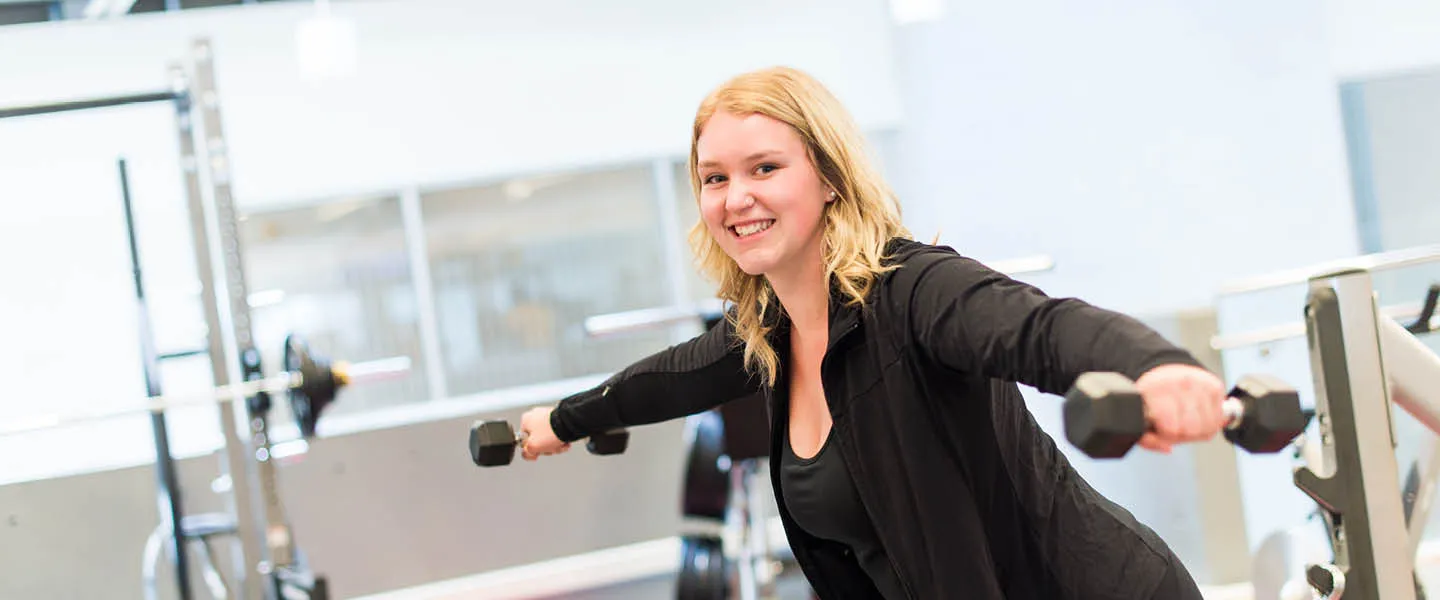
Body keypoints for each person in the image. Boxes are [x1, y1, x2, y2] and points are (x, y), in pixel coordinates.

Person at [517, 66, 1224, 599]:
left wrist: (1155, 367)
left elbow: (1039, 328)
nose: (736, 198)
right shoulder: (771, 333)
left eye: (765, 168)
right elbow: (666, 379)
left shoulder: (912, 290)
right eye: (714, 177)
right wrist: (562, 420)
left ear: (828, 176)